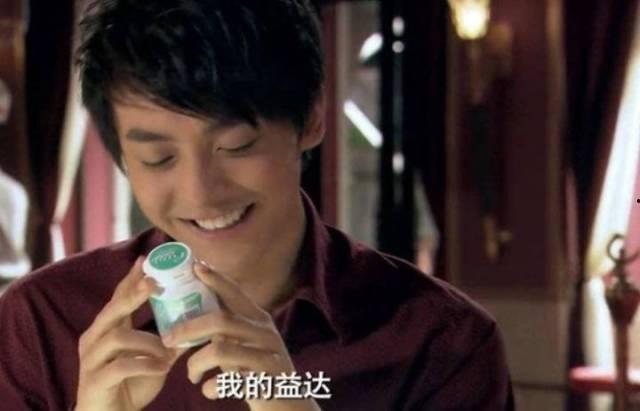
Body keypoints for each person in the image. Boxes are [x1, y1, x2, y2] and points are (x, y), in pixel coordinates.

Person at [0, 1, 514, 410]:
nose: (200, 192)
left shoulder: (441, 342)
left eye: (236, 146)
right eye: (159, 158)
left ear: (310, 119)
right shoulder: (44, 321)